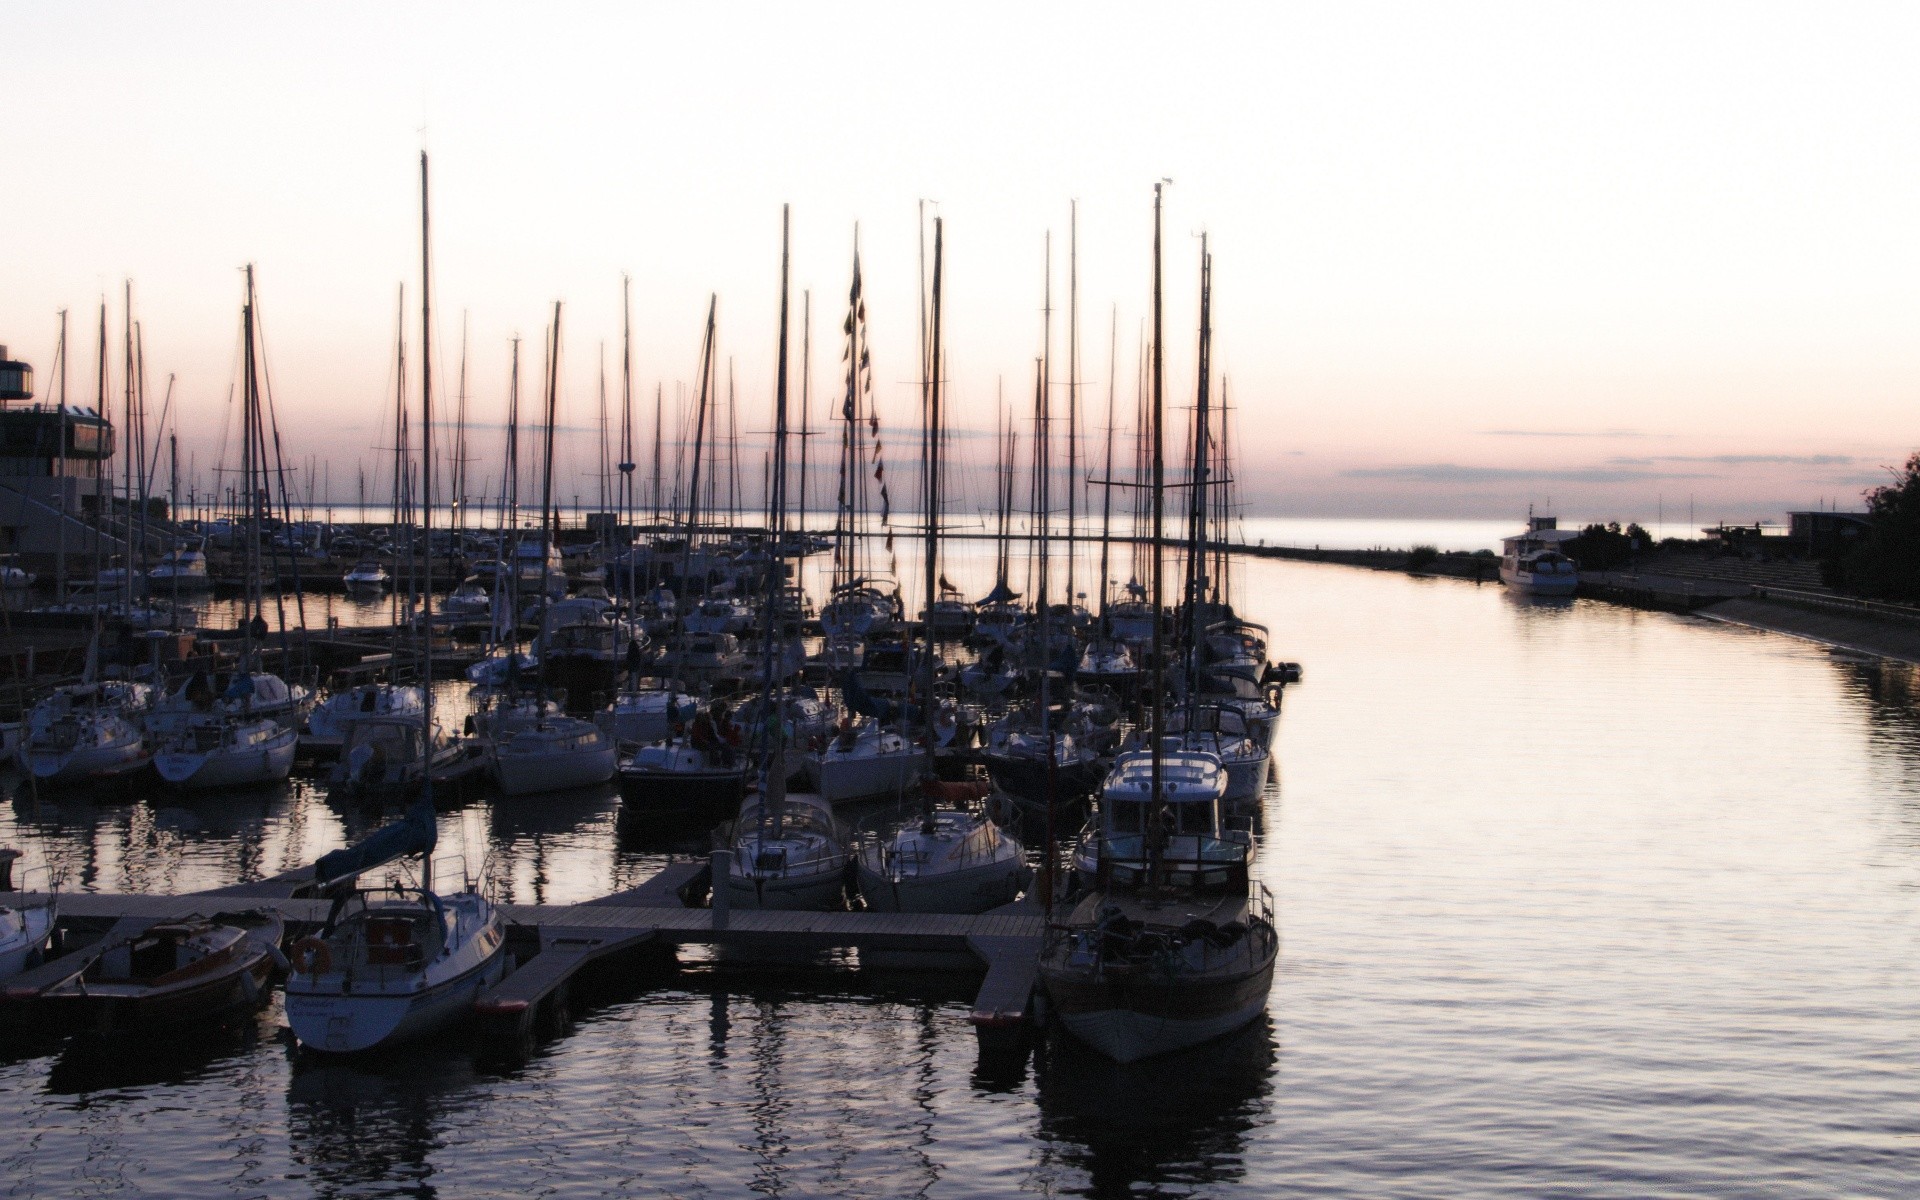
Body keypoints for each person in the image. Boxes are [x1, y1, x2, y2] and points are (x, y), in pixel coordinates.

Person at [690, 699, 739, 767]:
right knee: (714, 748)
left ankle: (727, 762)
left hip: (709, 741)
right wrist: (708, 741)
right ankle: (715, 763)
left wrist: (717, 740)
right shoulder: (701, 723)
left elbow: (713, 734)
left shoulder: (713, 723)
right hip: (699, 743)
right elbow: (699, 736)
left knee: (726, 747)